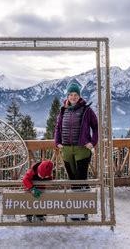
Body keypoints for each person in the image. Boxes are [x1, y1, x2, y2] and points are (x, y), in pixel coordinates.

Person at [54, 82, 98, 220]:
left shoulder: (86, 110)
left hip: (82, 150)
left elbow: (96, 127)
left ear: (79, 96)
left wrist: (93, 142)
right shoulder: (63, 110)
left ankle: (83, 211)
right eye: (71, 94)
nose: (73, 97)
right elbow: (57, 128)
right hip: (67, 149)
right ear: (68, 96)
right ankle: (74, 210)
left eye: (76, 95)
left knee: (81, 179)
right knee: (73, 180)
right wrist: (57, 142)